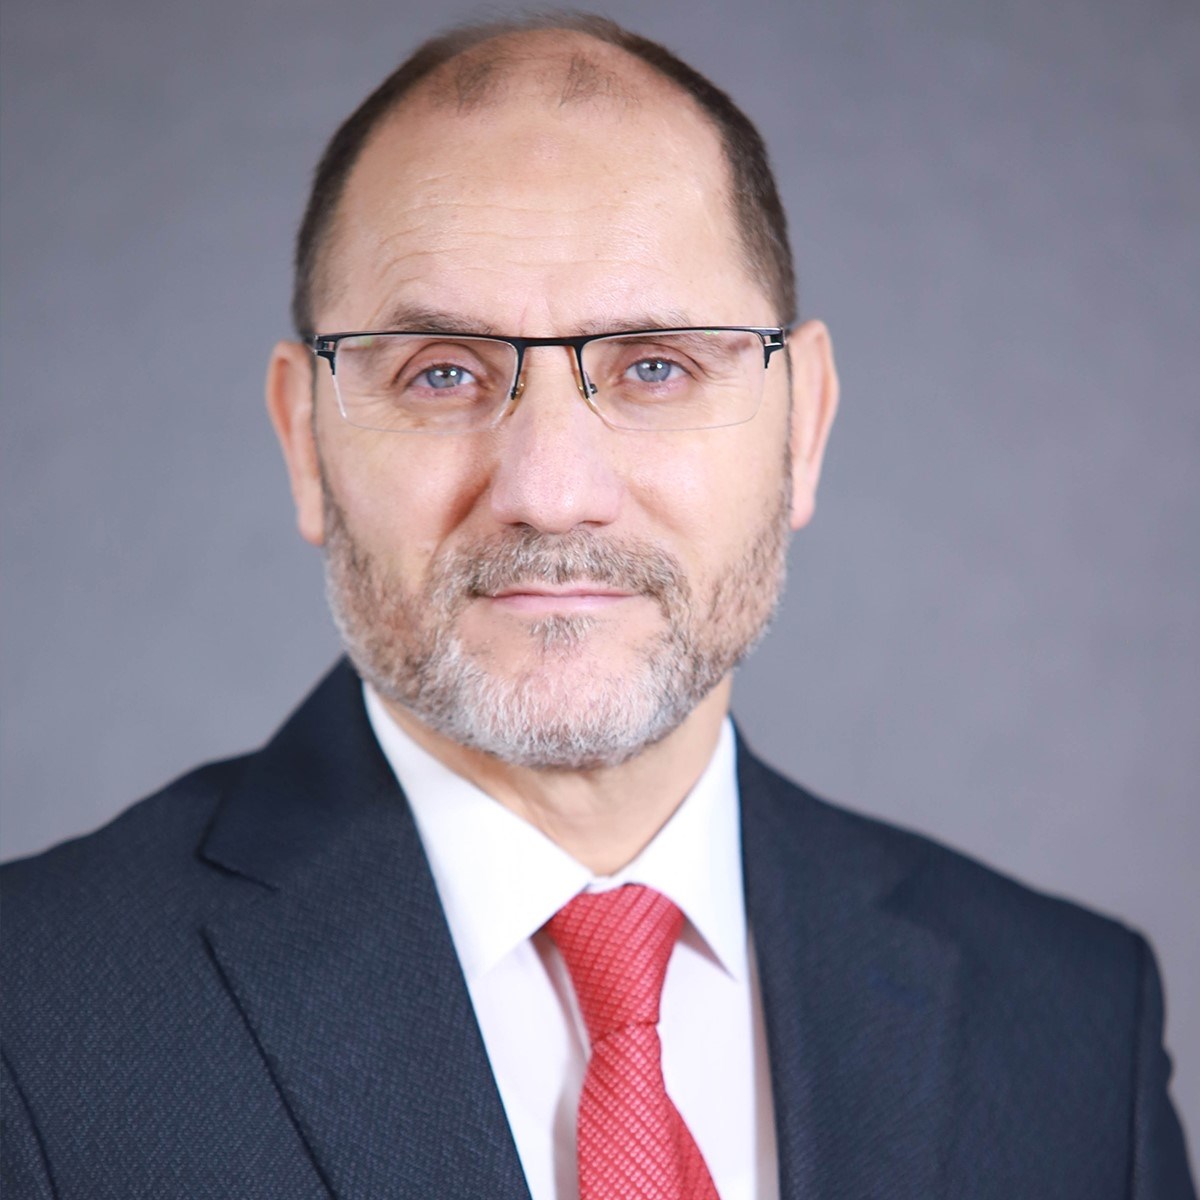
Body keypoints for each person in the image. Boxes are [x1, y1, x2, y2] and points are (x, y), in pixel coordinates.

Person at [2, 13, 1193, 1199]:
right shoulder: (37, 1021)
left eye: (655, 366)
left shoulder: (1073, 1025)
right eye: (442, 373)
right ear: (306, 441)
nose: (550, 491)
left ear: (805, 426)